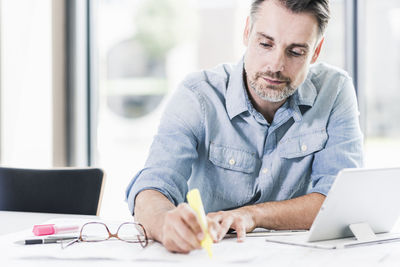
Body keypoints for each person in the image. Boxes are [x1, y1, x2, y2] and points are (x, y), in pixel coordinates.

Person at [126, 0, 363, 253]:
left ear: (316, 51)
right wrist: (164, 223)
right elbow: (153, 186)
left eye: (295, 52)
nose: (275, 65)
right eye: (265, 44)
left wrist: (253, 215)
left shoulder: (334, 90)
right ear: (247, 32)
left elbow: (339, 201)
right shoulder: (198, 95)